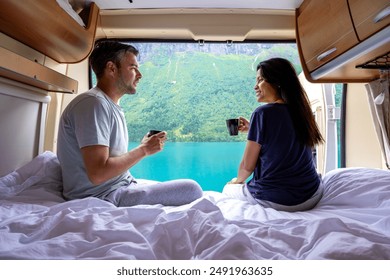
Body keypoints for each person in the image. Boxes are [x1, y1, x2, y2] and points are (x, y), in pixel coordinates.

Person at [57, 41, 203, 207]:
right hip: (102, 196)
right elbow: (97, 174)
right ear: (111, 68)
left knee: (189, 189)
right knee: (192, 189)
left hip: (118, 186)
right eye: (133, 68)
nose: (139, 75)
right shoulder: (93, 104)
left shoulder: (107, 104)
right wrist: (144, 150)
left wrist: (143, 147)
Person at [223, 57, 324, 212]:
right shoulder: (302, 112)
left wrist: (236, 182)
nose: (255, 86)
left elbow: (247, 166)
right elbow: (284, 137)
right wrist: (254, 129)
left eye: (260, 80)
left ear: (277, 82)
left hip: (276, 199)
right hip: (311, 195)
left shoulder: (262, 113)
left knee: (227, 190)